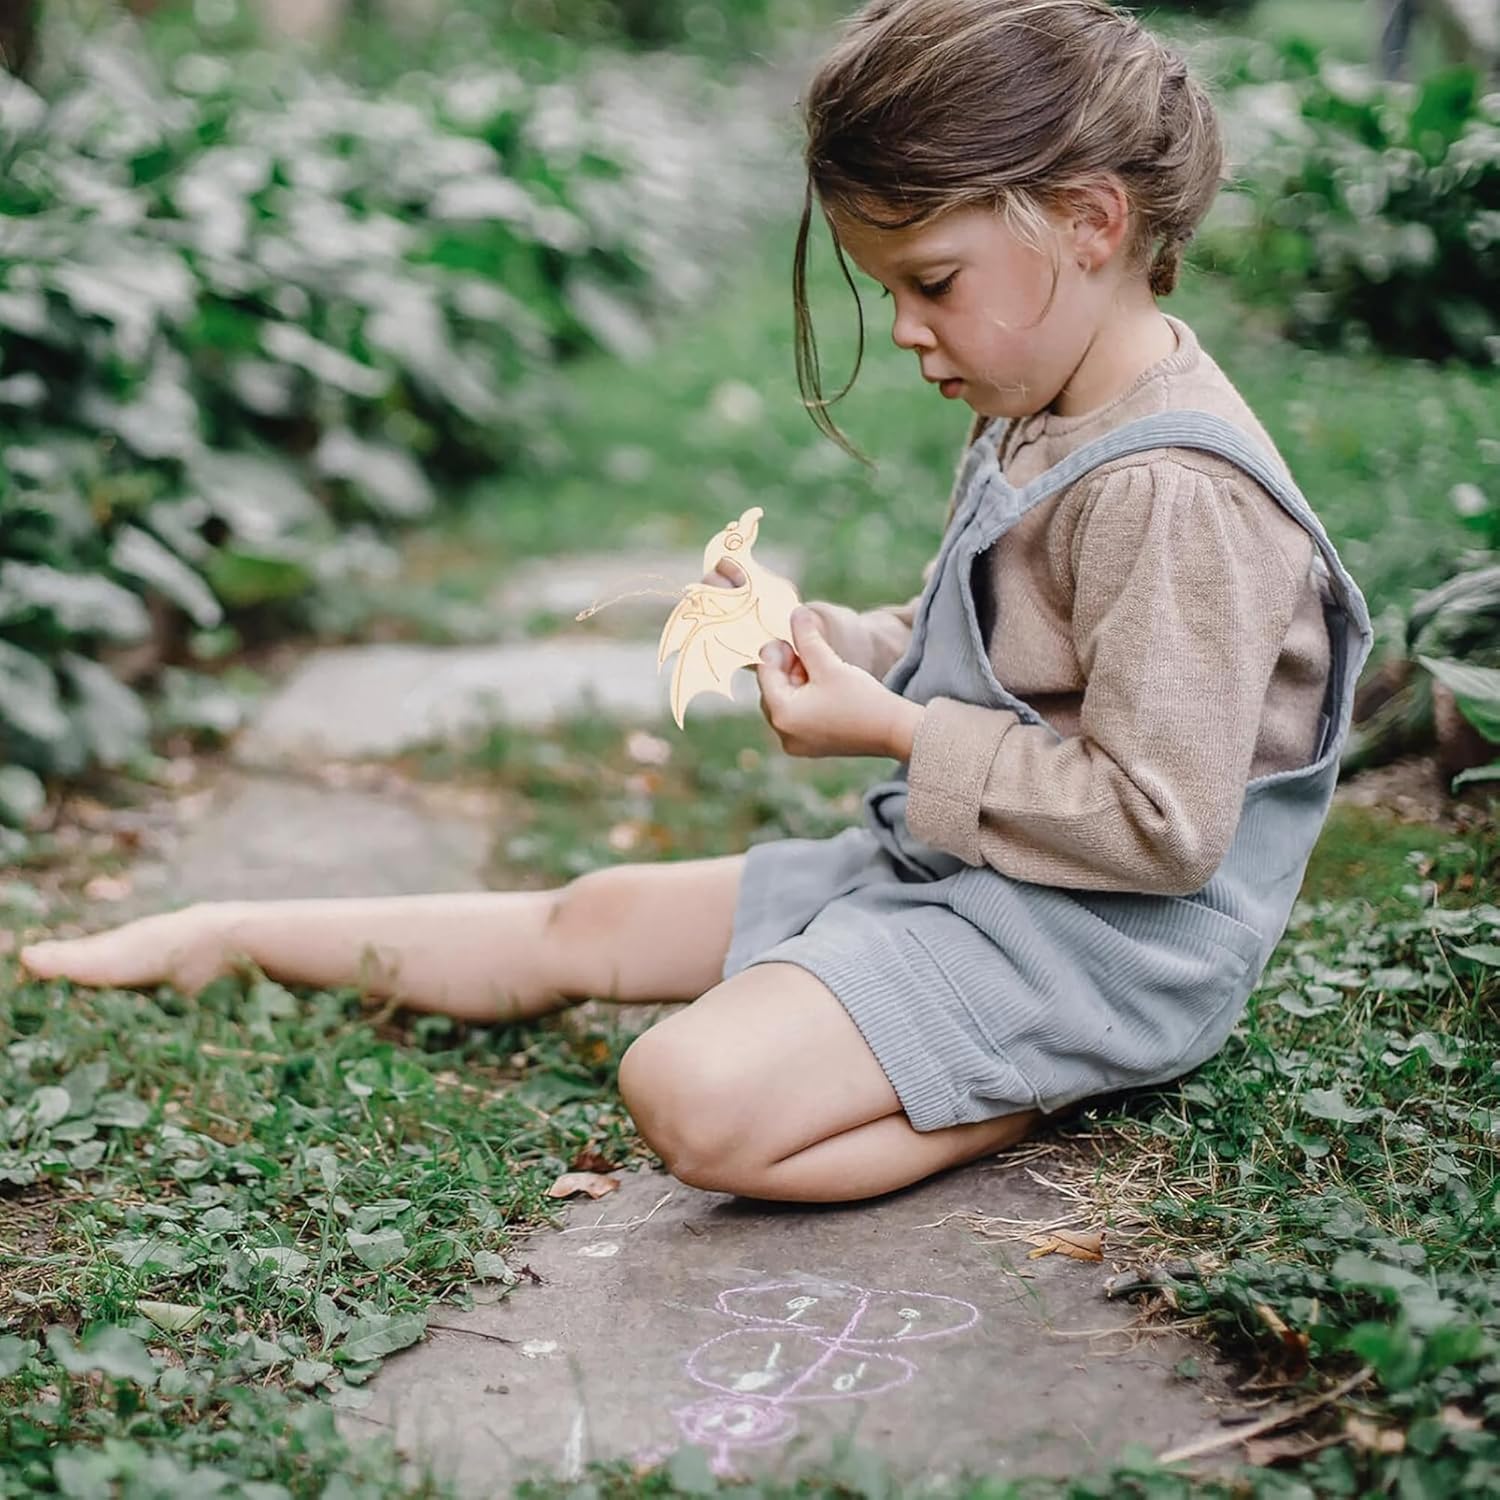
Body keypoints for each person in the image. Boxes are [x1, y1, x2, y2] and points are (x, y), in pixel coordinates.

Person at [19, 0, 1371, 1205]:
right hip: (982, 879)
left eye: (930, 284)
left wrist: (896, 738)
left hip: (1107, 948)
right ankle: (222, 931)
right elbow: (1005, 661)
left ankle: (1037, 1082)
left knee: (690, 1097)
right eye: (886, 288)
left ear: (1089, 222)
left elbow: (1163, 823)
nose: (905, 330)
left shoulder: (1171, 493)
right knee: (593, 918)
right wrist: (828, 639)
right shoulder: (1047, 408)